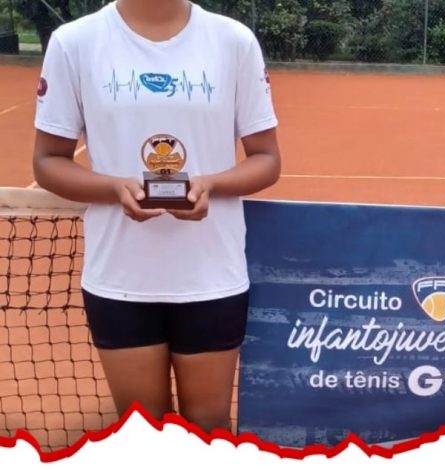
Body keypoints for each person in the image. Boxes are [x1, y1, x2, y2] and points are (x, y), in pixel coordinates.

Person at [32, 0, 281, 433]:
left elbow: (267, 159)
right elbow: (48, 161)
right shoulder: (75, 43)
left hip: (211, 276)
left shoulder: (233, 41)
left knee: (208, 428)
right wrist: (114, 188)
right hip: (120, 279)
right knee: (143, 432)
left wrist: (210, 184)